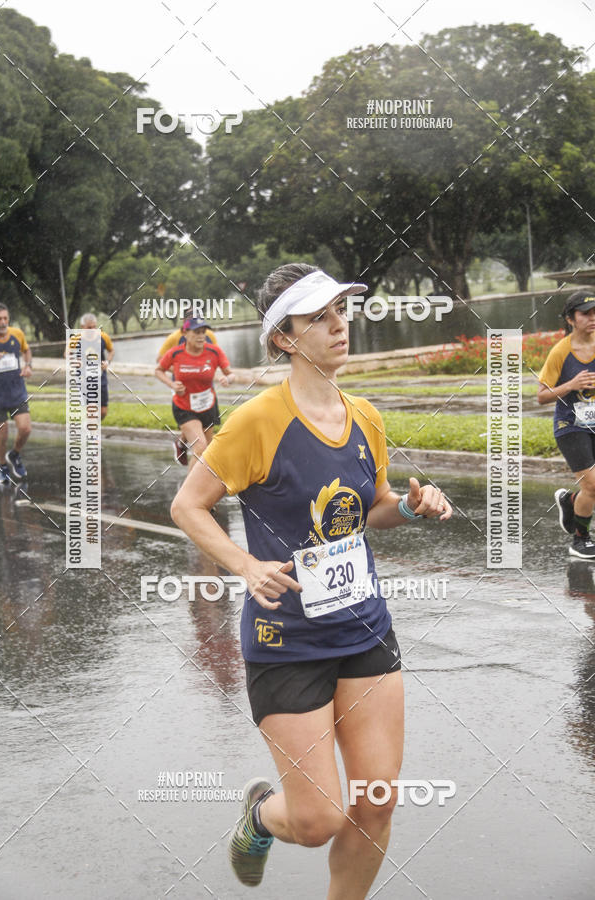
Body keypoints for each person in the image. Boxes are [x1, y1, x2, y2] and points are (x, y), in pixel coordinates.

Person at [170, 264, 452, 897]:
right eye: (318, 317)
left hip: (364, 630)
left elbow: (370, 506)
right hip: (285, 640)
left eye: (341, 312)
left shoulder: (366, 418)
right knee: (318, 818)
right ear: (284, 338)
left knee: (377, 800)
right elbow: (188, 506)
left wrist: (408, 508)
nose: (338, 325)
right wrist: (244, 565)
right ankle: (260, 814)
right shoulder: (256, 422)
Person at [539, 290, 595, 559]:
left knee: (590, 488)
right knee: (593, 486)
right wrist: (571, 385)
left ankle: (570, 501)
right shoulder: (560, 351)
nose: (592, 318)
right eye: (586, 314)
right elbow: (541, 395)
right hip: (570, 426)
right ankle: (580, 539)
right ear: (571, 319)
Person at [156, 316, 233, 467]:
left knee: (208, 453)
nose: (201, 336)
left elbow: (230, 373)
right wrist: (172, 384)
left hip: (208, 406)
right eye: (196, 332)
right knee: (200, 447)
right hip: (184, 407)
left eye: (203, 332)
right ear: (185, 334)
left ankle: (203, 486)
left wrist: (227, 379)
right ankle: (188, 491)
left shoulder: (214, 351)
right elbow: (158, 370)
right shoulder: (175, 353)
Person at [0, 302, 32, 484]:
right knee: (2, 436)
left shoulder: (17, 334)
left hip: (17, 392)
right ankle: (2, 467)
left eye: (5, 318)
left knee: (25, 429)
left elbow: (26, 350)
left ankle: (15, 454)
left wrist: (28, 365)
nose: (2, 322)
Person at [65, 313, 115, 420]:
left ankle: (92, 429)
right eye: (89, 327)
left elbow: (111, 351)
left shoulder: (103, 336)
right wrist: (74, 360)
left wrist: (107, 362)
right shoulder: (75, 339)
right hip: (84, 380)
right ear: (82, 327)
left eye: (94, 327)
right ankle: (92, 434)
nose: (92, 329)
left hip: (100, 378)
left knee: (103, 412)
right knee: (91, 411)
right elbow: (67, 354)